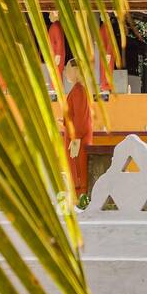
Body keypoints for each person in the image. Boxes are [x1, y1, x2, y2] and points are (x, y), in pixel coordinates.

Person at [62, 58, 93, 195]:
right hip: (75, 138)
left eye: (67, 69)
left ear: (76, 70)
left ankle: (81, 198)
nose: (65, 73)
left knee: (79, 172)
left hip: (77, 140)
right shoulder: (78, 89)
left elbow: (81, 118)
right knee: (76, 171)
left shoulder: (79, 90)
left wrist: (76, 138)